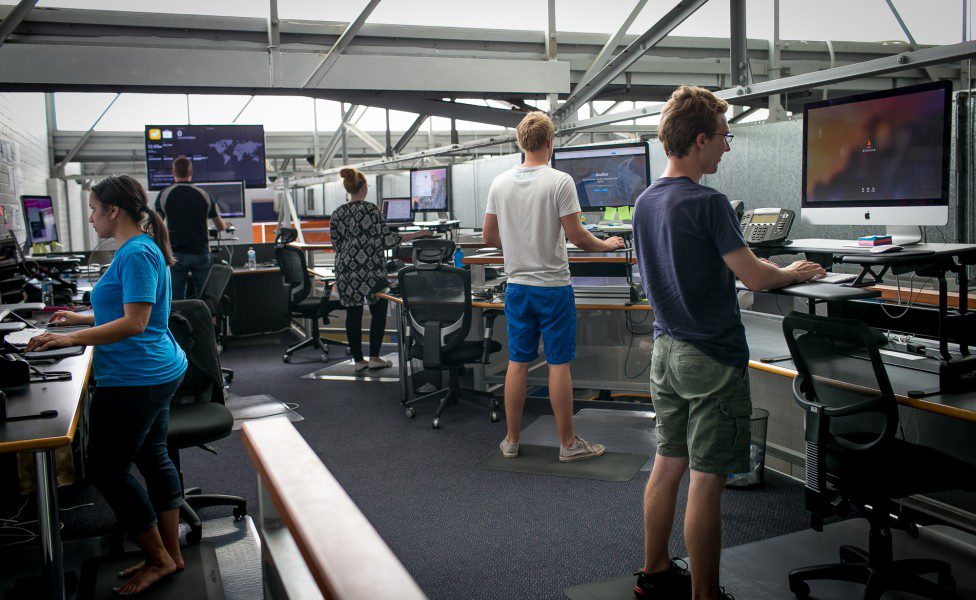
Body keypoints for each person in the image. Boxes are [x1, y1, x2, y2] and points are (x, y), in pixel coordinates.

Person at [631, 86, 824, 600]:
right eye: (723, 136)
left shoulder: (645, 200)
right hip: (711, 358)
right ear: (699, 140)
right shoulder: (709, 203)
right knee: (708, 478)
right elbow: (755, 278)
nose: (728, 147)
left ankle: (654, 574)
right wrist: (792, 271)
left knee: (668, 462)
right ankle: (706, 595)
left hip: (666, 353)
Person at [27, 175, 190, 596]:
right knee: (153, 457)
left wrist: (70, 339)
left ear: (113, 211)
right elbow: (132, 310)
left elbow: (135, 322)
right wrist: (80, 319)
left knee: (107, 469)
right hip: (157, 369)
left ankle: (158, 558)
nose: (91, 216)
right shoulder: (139, 248)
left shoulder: (136, 253)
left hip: (138, 377)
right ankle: (170, 554)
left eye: (94, 209)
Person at [482, 111, 626, 463]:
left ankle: (512, 441)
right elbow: (577, 236)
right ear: (550, 142)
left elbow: (488, 236)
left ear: (521, 143)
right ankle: (568, 444)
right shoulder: (560, 181)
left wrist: (519, 245)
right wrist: (607, 244)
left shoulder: (499, 183)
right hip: (553, 287)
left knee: (517, 362)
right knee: (558, 363)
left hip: (517, 287)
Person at [332, 167, 431, 371]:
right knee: (379, 309)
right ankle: (375, 357)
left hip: (345, 270)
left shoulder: (338, 213)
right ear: (362, 188)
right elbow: (387, 240)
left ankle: (359, 361)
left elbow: (336, 245)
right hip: (370, 270)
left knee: (353, 312)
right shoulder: (370, 209)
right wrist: (419, 233)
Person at [154, 156, 228, 300]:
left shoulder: (164, 194)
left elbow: (156, 225)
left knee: (176, 299)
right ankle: (208, 322)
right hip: (201, 252)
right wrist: (226, 226)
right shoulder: (204, 194)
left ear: (173, 172)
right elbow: (220, 226)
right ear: (191, 172)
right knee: (207, 298)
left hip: (176, 254)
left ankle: (179, 322)